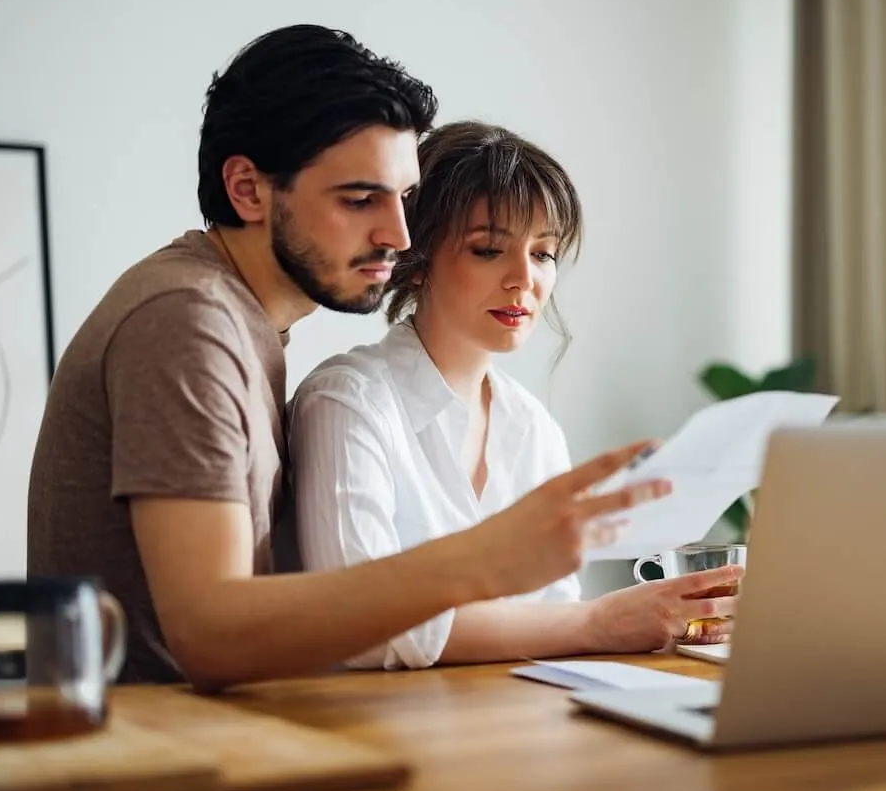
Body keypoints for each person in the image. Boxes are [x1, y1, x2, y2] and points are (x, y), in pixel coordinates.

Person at [25, 26, 671, 690]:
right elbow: (210, 634)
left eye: (403, 198)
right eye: (361, 200)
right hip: (157, 758)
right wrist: (483, 560)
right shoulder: (188, 322)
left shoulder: (238, 322)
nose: (398, 235)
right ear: (247, 190)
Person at [289, 121, 742, 669]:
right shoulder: (348, 403)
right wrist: (600, 622)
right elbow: (356, 632)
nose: (523, 279)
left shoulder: (531, 428)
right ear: (419, 256)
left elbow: (554, 620)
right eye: (487, 250)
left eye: (545, 253)